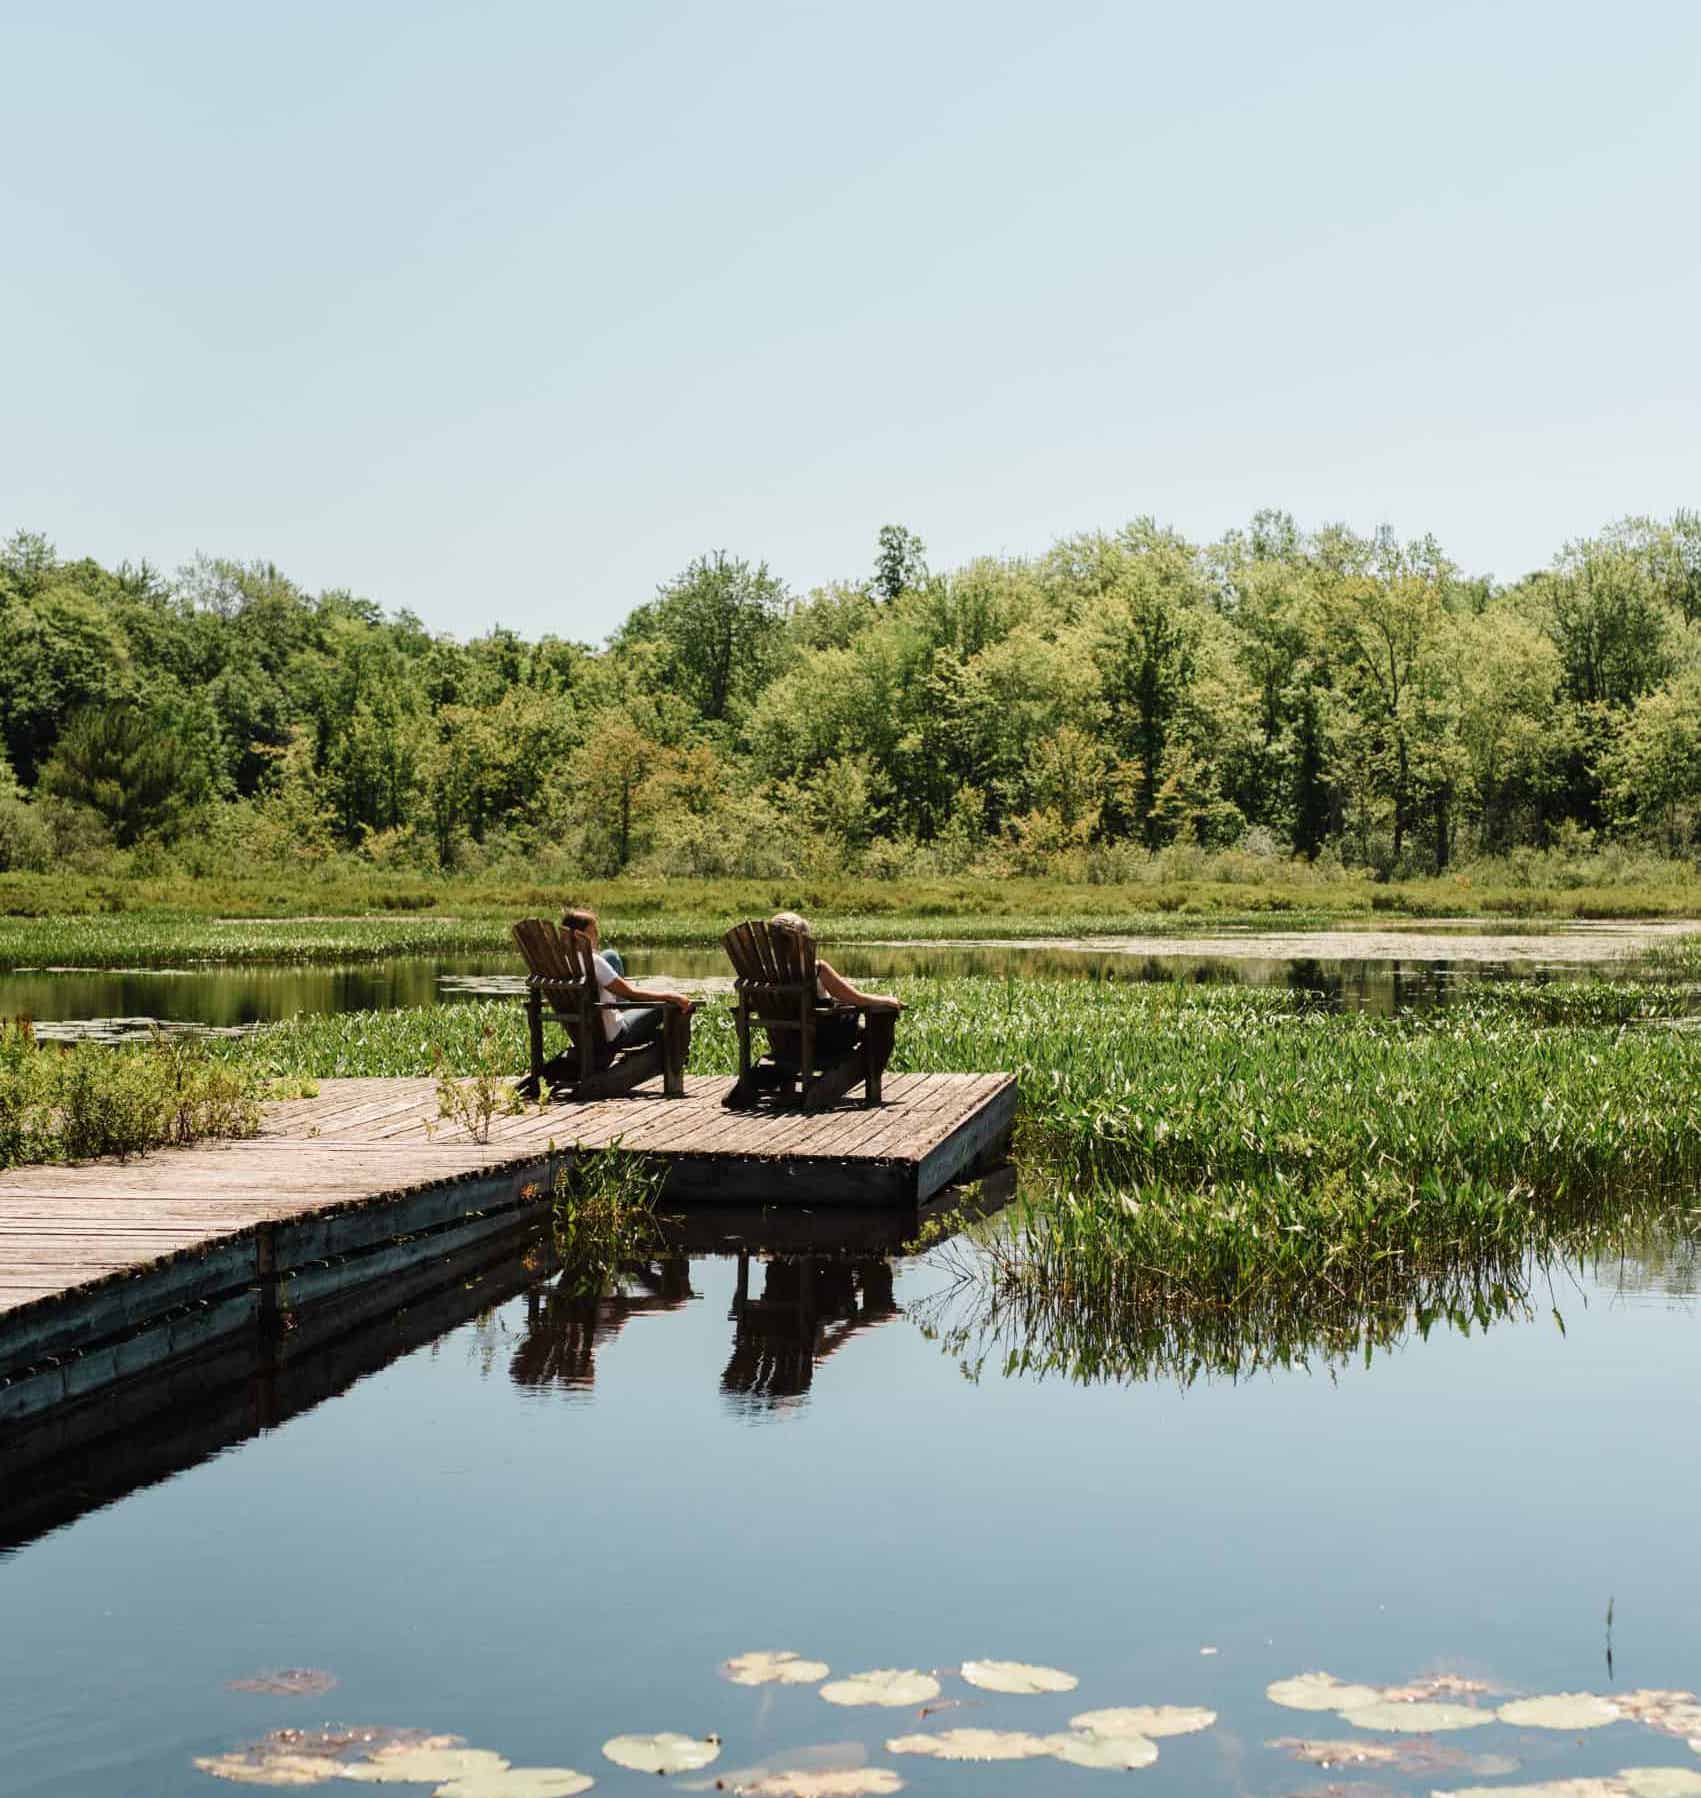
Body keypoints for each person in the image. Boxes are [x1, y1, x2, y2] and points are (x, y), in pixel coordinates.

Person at [724, 910, 902, 1108]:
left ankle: (768, 1079)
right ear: (804, 942)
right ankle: (863, 1078)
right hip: (822, 1044)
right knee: (878, 1020)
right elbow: (857, 999)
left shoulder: (760, 978)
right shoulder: (817, 969)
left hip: (785, 1044)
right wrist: (886, 1000)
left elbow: (746, 1006)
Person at [560, 905, 693, 1055]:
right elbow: (632, 994)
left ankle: (624, 1010)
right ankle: (679, 1055)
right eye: (594, 932)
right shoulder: (593, 962)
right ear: (580, 936)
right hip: (612, 1036)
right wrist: (670, 996)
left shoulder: (559, 962)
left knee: (610, 955)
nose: (598, 936)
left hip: (582, 1034)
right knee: (671, 1005)